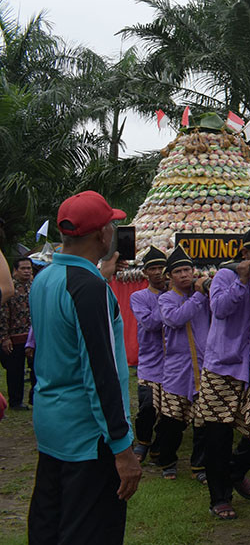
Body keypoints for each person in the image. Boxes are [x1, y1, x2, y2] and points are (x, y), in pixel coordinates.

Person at [27, 190, 141, 544]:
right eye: (111, 224)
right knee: (88, 530)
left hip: (52, 423)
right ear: (102, 234)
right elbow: (102, 373)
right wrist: (122, 448)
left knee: (49, 521)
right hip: (88, 436)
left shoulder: (44, 278)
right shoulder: (89, 288)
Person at [194, 223, 250, 519]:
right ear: (245, 253)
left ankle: (235, 471)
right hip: (222, 366)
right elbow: (220, 309)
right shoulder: (226, 275)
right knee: (218, 433)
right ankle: (220, 497)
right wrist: (241, 282)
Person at [155, 245, 211, 481]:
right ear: (169, 276)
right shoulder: (166, 299)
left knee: (203, 421)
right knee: (172, 420)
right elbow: (175, 319)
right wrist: (198, 296)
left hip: (204, 367)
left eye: (188, 270)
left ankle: (200, 467)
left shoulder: (204, 297)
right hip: (178, 370)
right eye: (178, 272)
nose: (185, 275)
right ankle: (167, 461)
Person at [129, 247, 167, 463]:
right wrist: (168, 299)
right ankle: (143, 441)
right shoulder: (139, 297)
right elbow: (151, 323)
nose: (158, 272)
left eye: (161, 267)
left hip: (173, 362)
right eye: (152, 268)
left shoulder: (178, 293)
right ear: (145, 273)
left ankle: (160, 448)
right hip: (150, 361)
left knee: (169, 412)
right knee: (147, 406)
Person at [1, 257, 34, 410]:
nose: (27, 271)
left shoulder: (35, 286)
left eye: (29, 268)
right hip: (14, 337)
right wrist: (4, 337)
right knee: (15, 371)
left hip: (33, 336)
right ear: (15, 271)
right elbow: (3, 314)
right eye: (23, 268)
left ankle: (35, 399)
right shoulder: (9, 289)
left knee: (36, 370)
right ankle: (15, 402)